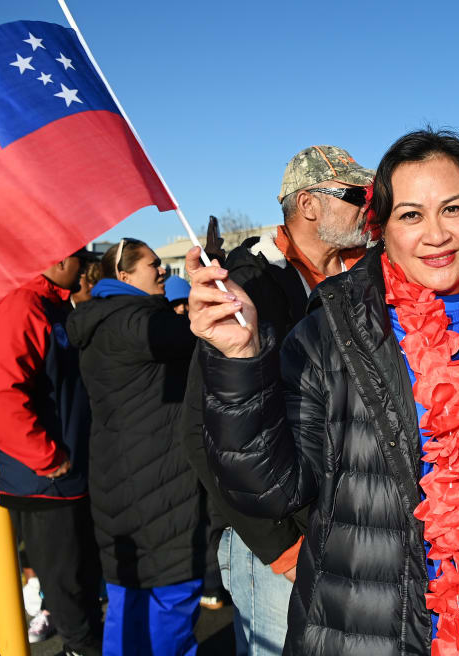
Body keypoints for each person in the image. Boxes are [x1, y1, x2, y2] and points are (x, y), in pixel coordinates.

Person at [189, 130, 459, 655]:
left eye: (453, 209)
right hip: (378, 630)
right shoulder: (330, 331)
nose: (436, 234)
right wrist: (239, 363)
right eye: (411, 215)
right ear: (381, 227)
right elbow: (270, 490)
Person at [177, 146, 373, 655]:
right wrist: (281, 547)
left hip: (353, 539)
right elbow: (201, 432)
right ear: (308, 204)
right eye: (356, 195)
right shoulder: (248, 287)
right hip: (280, 546)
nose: (370, 205)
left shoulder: (362, 278)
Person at [66, 239, 204, 656]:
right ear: (123, 276)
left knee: (128, 598)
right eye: (153, 265)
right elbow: (204, 332)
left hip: (120, 481)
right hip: (159, 485)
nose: (163, 271)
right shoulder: (137, 322)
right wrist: (202, 283)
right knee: (172, 595)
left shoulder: (104, 319)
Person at [0, 250, 103, 654]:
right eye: (76, 257)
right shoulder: (23, 304)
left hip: (65, 479)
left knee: (82, 597)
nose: (83, 267)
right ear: (51, 258)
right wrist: (48, 458)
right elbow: (2, 393)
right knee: (72, 606)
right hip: (46, 483)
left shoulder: (50, 304)